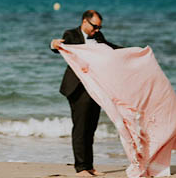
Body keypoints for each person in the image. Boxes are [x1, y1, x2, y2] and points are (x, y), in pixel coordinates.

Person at [50, 10, 124, 177]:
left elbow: (110, 48)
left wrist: (132, 52)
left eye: (99, 27)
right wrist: (53, 44)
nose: (97, 30)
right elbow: (58, 46)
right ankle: (81, 168)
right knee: (81, 127)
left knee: (91, 127)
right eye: (95, 26)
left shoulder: (98, 37)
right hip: (77, 88)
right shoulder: (71, 34)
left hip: (95, 87)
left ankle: (89, 166)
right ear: (85, 22)